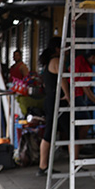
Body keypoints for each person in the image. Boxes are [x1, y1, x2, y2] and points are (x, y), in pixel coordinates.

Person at [38, 37, 70, 176]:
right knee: (70, 132)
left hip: (50, 100)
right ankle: (75, 164)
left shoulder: (47, 63)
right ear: (58, 48)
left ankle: (43, 166)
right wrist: (68, 95)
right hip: (58, 101)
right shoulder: (57, 61)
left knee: (50, 133)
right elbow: (62, 80)